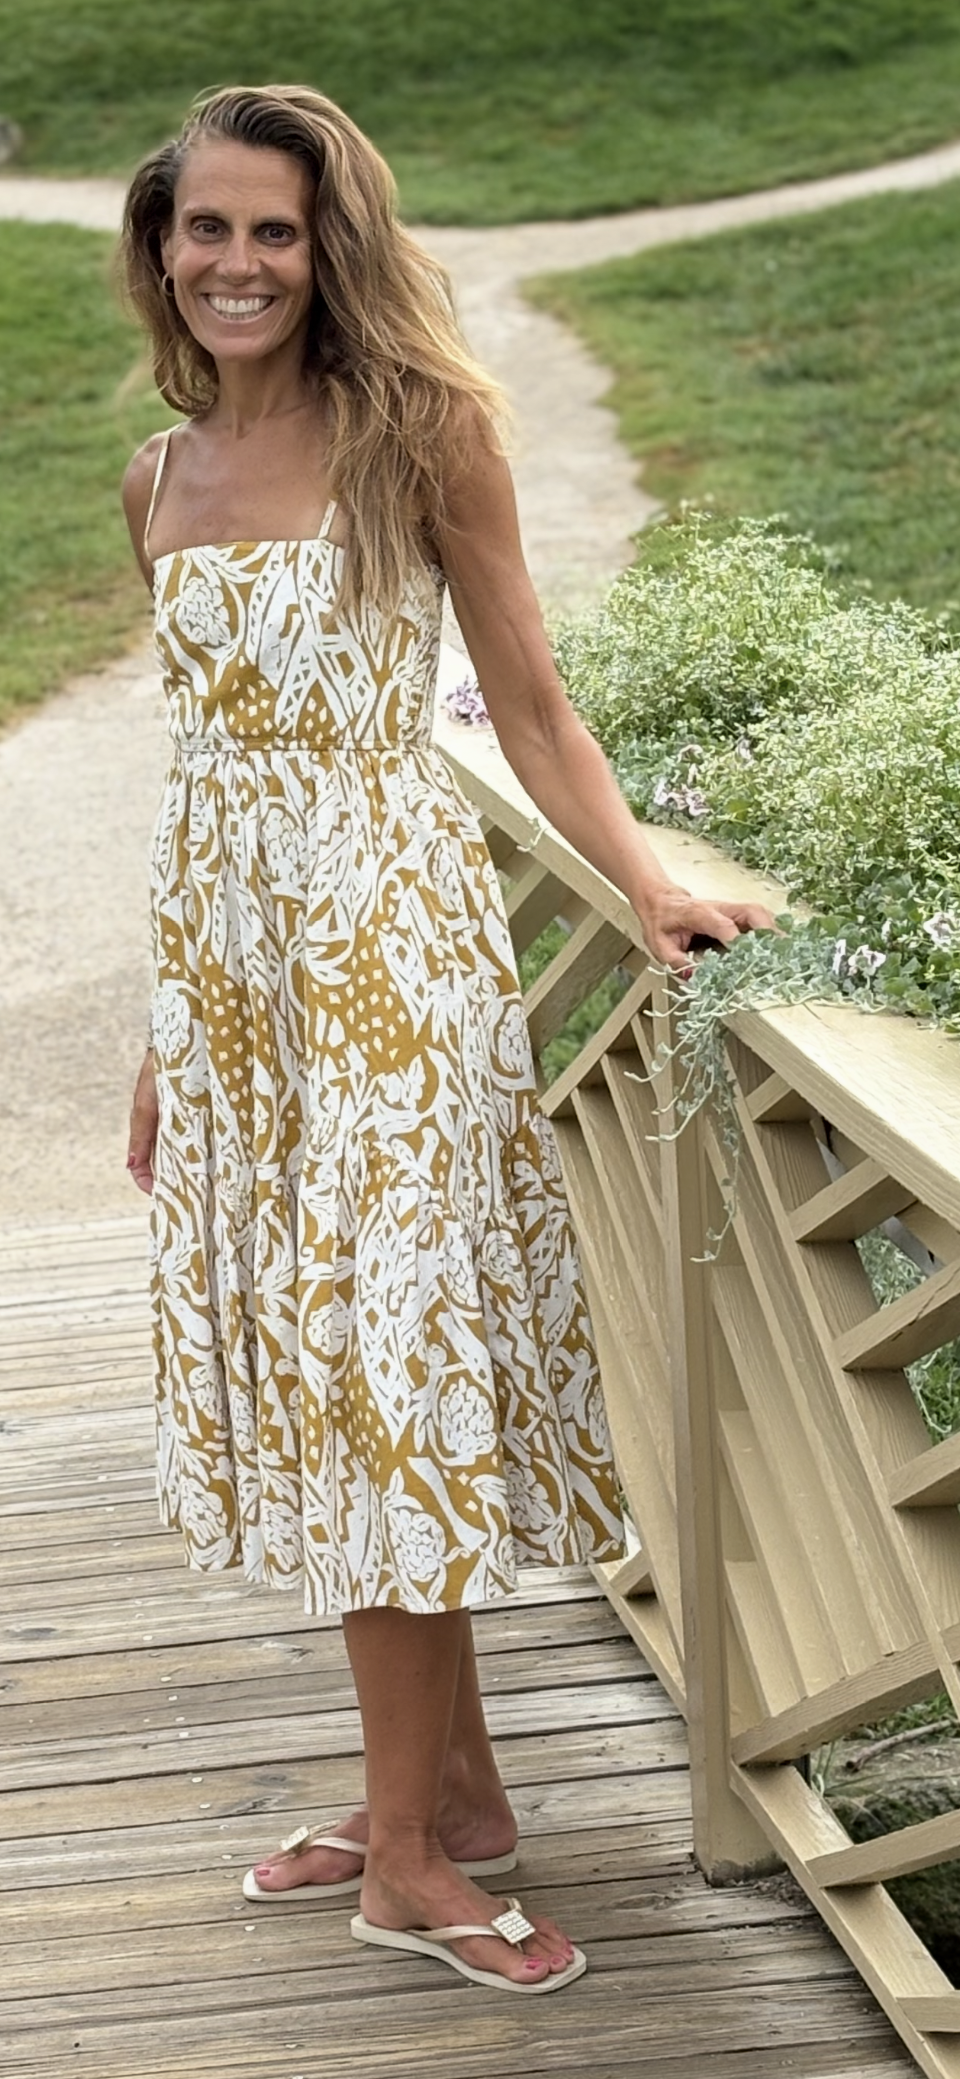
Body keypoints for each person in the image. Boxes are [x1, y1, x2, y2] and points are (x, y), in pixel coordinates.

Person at [120, 83, 774, 1995]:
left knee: (384, 1391)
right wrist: (174, 1031)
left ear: (335, 247)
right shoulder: (159, 479)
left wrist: (647, 884)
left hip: (392, 975)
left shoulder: (422, 429)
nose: (240, 263)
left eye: (277, 230)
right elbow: (202, 772)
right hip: (243, 1000)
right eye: (207, 227)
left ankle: (405, 1854)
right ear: (161, 246)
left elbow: (532, 704)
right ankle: (458, 1792)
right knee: (335, 1384)